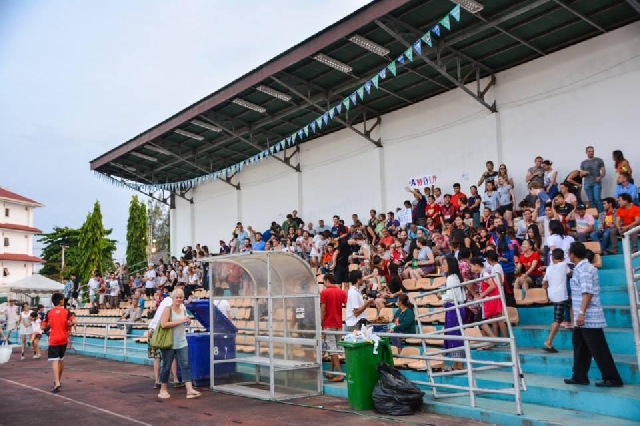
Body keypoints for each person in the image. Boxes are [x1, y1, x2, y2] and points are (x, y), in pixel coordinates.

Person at [564, 242, 623, 387]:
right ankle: (579, 376)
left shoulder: (584, 270)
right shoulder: (581, 268)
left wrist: (582, 313)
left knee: (598, 348)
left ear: (573, 254)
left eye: (568, 252)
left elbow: (587, 293)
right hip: (583, 318)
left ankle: (613, 378)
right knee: (580, 345)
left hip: (589, 317)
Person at [157, 288, 202, 399]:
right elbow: (163, 324)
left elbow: (185, 320)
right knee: (166, 366)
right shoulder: (168, 309)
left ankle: (189, 390)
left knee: (185, 366)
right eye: (177, 297)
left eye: (181, 297)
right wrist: (181, 321)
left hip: (182, 341)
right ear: (173, 298)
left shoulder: (183, 308)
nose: (179, 299)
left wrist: (188, 320)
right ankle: (163, 389)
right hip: (169, 342)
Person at [41, 292, 75, 393]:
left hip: (54, 339)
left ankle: (57, 382)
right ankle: (58, 380)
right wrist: (69, 324)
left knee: (54, 360)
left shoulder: (49, 312)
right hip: (63, 338)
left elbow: (43, 326)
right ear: (61, 300)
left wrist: (49, 326)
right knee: (61, 359)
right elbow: (73, 321)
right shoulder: (66, 311)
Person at [439, 257, 466, 370]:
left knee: (454, 336)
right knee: (456, 336)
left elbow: (451, 296)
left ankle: (459, 364)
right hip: (457, 308)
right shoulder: (456, 277)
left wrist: (441, 294)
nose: (443, 266)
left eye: (445, 263)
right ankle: (457, 364)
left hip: (453, 308)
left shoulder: (451, 278)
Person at [542, 248, 571, 353]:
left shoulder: (549, 268)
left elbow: (544, 282)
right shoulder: (564, 265)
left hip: (552, 295)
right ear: (563, 258)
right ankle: (548, 341)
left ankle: (569, 322)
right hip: (560, 295)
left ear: (552, 257)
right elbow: (570, 273)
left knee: (569, 304)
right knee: (557, 320)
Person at [320, 273, 347, 382]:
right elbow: (346, 304)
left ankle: (339, 374)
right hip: (338, 323)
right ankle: (331, 371)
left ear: (326, 280)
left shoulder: (324, 292)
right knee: (334, 349)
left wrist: (322, 324)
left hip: (329, 323)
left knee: (332, 349)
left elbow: (323, 310)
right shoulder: (341, 292)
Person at [580, 146, 606, 213]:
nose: (591, 153)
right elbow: (581, 175)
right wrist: (583, 173)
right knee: (591, 200)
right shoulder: (583, 163)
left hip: (596, 183)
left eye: (592, 151)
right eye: (589, 151)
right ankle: (594, 216)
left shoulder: (599, 160)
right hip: (587, 183)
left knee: (597, 199)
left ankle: (601, 215)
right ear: (586, 152)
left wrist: (600, 177)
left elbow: (603, 171)